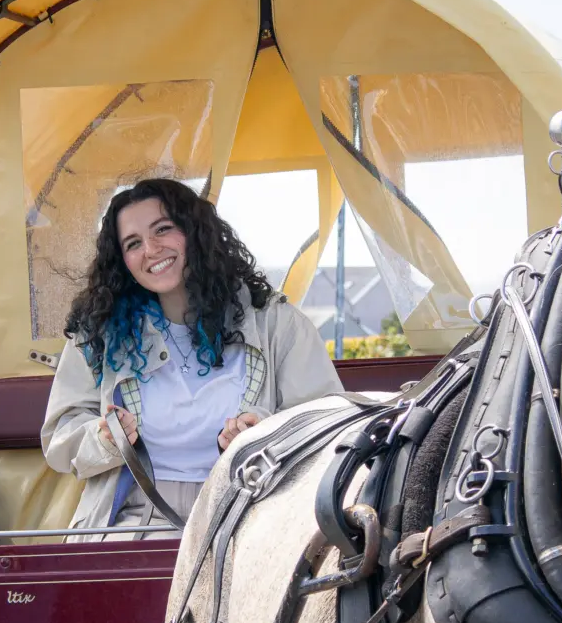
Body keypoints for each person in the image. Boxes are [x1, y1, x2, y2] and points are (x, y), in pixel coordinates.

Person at [41, 178, 343, 540]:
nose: (151, 249)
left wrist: (263, 432)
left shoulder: (276, 324)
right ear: (122, 262)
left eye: (163, 230)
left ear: (195, 233)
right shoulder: (99, 333)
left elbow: (325, 421)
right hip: (134, 517)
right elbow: (61, 435)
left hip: (251, 513)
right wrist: (104, 437)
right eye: (133, 243)